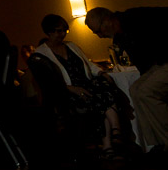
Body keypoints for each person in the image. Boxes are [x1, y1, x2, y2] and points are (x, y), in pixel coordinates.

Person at [84, 5, 168, 159]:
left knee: (145, 91)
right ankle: (157, 144)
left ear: (107, 20)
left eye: (98, 31)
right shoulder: (121, 38)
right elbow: (143, 65)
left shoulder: (134, 17)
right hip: (161, 66)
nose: (99, 36)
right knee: (135, 89)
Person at [29, 14, 131, 157]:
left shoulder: (71, 46)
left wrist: (101, 73)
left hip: (87, 84)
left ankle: (111, 139)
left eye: (65, 30)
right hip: (68, 91)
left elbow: (88, 65)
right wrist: (70, 88)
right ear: (49, 32)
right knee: (99, 98)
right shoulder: (41, 53)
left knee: (103, 88)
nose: (62, 34)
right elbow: (49, 82)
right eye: (58, 31)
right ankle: (113, 135)